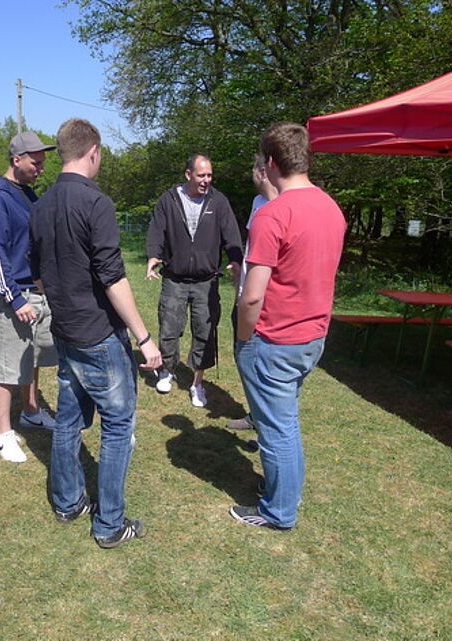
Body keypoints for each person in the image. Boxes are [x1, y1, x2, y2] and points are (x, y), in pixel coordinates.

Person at [29, 118, 162, 549]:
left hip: (65, 329)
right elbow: (113, 277)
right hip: (98, 335)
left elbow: (38, 276)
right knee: (118, 425)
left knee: (69, 419)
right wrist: (144, 338)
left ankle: (68, 503)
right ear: (94, 152)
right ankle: (109, 524)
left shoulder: (41, 205)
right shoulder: (96, 202)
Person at [230, 122, 346, 530]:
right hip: (312, 337)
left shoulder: (273, 214)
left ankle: (279, 511)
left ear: (272, 162)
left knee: (277, 429)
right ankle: (284, 494)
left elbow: (252, 295)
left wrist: (244, 339)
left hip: (274, 340)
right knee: (285, 423)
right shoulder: (331, 208)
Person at [0, 131, 58, 463]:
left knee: (33, 358)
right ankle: (3, 434)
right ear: (16, 160)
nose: (41, 168)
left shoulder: (28, 194)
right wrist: (14, 298)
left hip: (38, 291)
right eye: (35, 163)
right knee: (7, 365)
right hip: (16, 295)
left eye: (42, 163)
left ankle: (32, 412)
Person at [145, 154, 243, 407]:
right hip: (174, 279)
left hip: (206, 282)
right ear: (188, 174)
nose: (206, 180)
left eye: (209, 175)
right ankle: (167, 371)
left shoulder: (218, 201)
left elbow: (231, 234)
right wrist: (153, 255)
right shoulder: (169, 200)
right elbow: (156, 230)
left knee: (205, 332)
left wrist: (235, 259)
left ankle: (197, 383)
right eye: (201, 175)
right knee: (169, 328)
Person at [228, 154, 280, 432]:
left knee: (259, 364)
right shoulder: (257, 203)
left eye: (253, 168)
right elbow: (254, 247)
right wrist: (241, 272)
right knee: (244, 360)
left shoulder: (283, 207)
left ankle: (266, 424)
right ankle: (257, 415)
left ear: (263, 171)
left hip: (264, 304)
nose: (251, 173)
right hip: (245, 293)